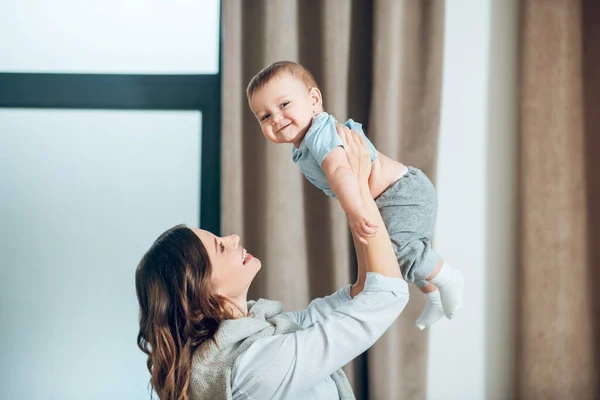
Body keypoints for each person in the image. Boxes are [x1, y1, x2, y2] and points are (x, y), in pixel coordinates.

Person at [135, 126, 410, 400]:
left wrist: (353, 195)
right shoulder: (255, 366)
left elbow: (361, 294)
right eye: (219, 247)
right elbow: (386, 295)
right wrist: (358, 189)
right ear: (201, 289)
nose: (233, 237)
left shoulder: (259, 332)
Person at [246, 61, 464, 330]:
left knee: (398, 252)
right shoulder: (303, 144)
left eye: (283, 105)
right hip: (387, 197)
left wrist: (355, 211)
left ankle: (448, 277)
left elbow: (340, 170)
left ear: (314, 100)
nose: (276, 119)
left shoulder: (319, 133)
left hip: (400, 192)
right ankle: (433, 295)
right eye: (264, 116)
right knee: (393, 257)